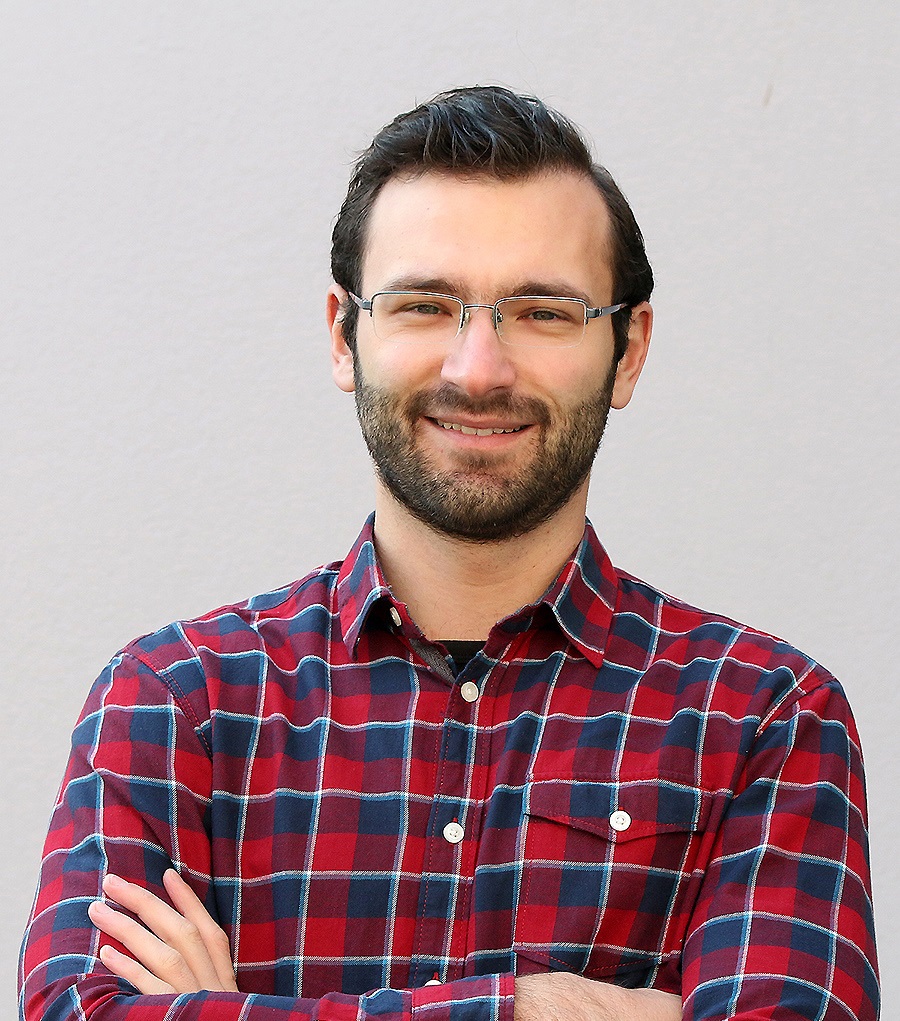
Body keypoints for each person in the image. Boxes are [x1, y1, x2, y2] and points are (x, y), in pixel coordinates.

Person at [19, 86, 878, 1021]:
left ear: (628, 349)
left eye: (544, 312)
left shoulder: (766, 718)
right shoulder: (176, 701)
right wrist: (538, 1009)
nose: (478, 369)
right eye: (425, 305)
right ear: (344, 335)